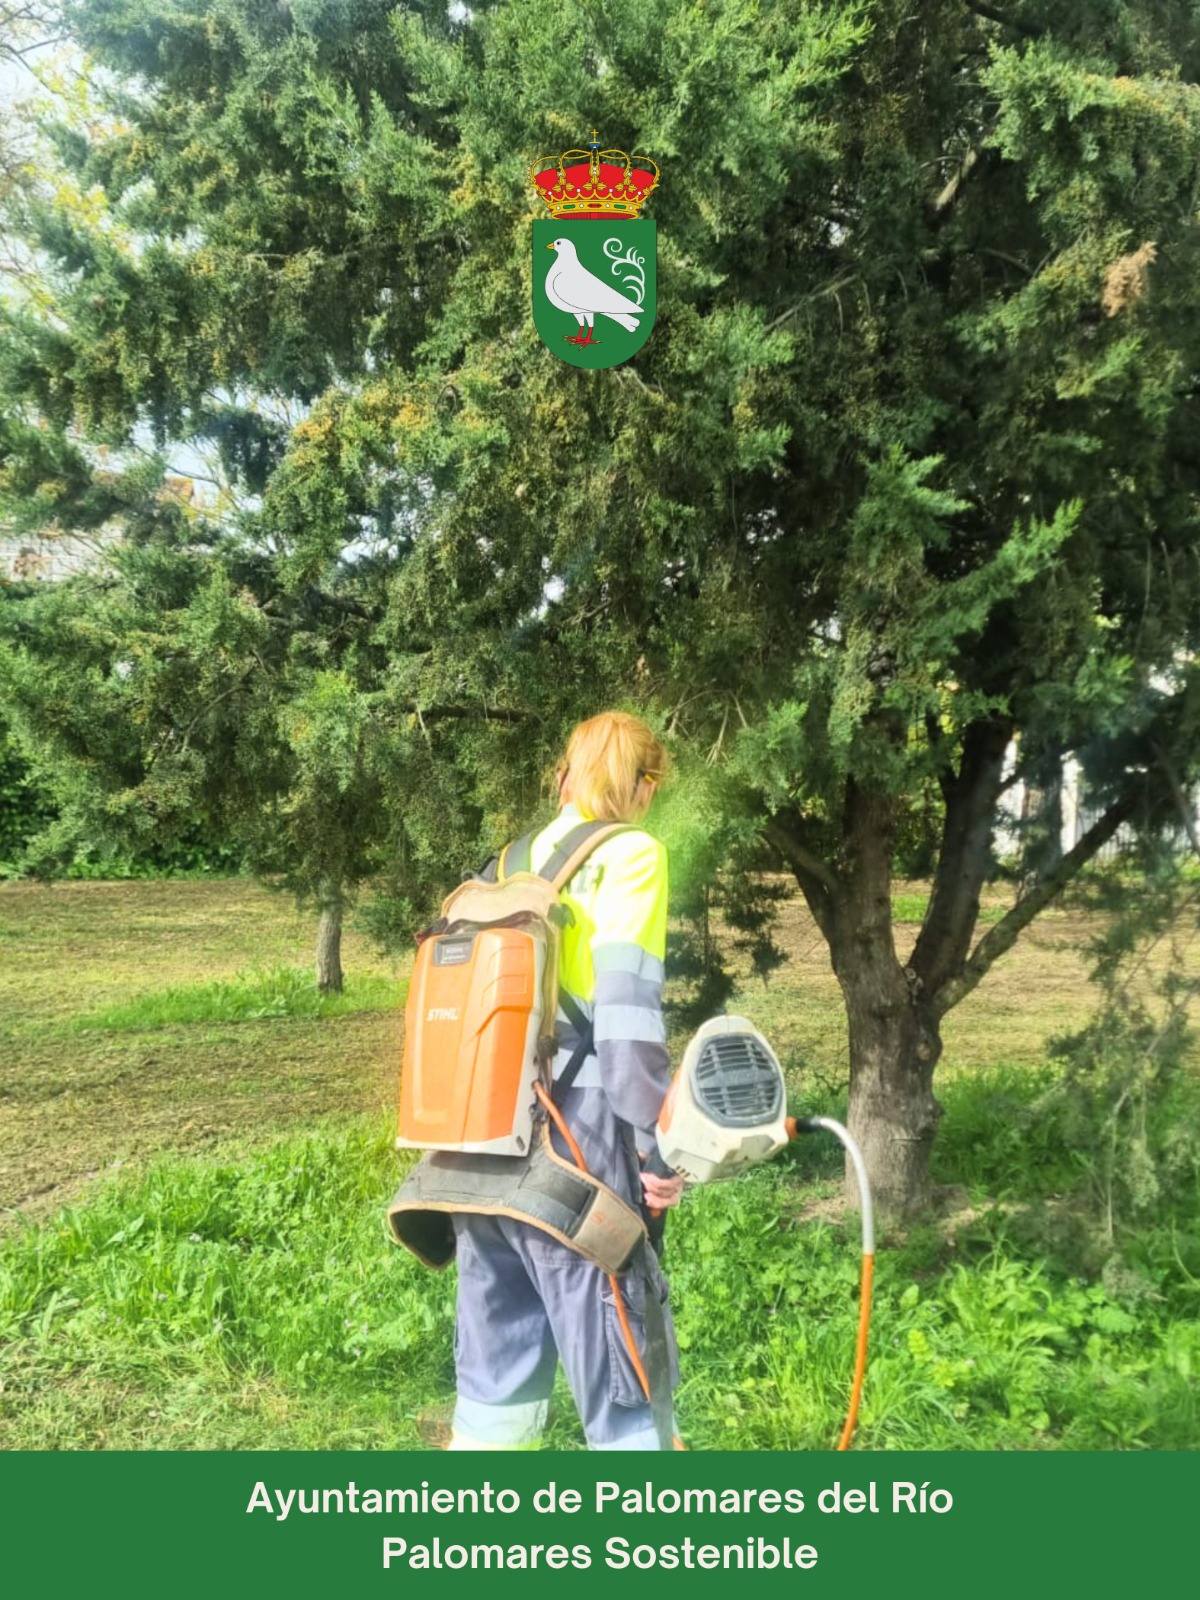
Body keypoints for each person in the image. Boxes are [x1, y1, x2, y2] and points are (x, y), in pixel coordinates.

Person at [448, 711, 686, 1451]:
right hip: (575, 1156)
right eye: (652, 784)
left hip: (477, 1147)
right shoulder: (633, 855)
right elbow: (625, 1024)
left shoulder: (504, 864)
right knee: (625, 1380)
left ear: (569, 772)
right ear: (641, 785)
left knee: (495, 1380)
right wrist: (656, 1151)